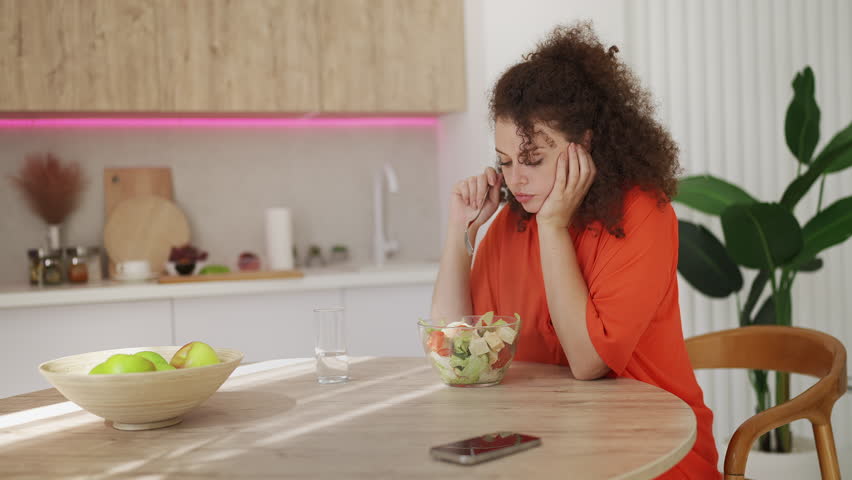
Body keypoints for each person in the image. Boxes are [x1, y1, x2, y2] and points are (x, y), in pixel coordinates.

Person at [431, 22, 720, 479]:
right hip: (544, 445)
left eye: (533, 160)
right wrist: (458, 232)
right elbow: (456, 351)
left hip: (650, 450)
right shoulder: (510, 222)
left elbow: (589, 363)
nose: (514, 180)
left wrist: (552, 225)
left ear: (584, 145)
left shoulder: (643, 214)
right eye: (505, 162)